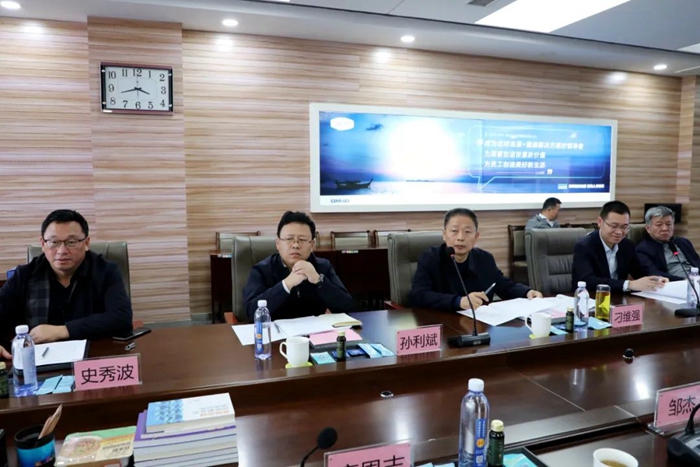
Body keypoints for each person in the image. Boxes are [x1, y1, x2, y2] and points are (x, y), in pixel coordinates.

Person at [0, 210, 133, 359]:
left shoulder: (105, 271)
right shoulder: (24, 275)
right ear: (43, 244)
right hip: (38, 362)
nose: (62, 251)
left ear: (86, 243)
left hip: (93, 358)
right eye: (54, 242)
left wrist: (62, 330)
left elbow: (121, 318)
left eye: (71, 242)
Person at [410, 208, 543, 312]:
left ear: (476, 236)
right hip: (442, 324)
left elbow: (503, 285)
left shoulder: (484, 259)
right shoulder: (430, 257)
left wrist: (527, 292)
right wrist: (458, 301)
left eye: (467, 232)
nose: (460, 237)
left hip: (479, 324)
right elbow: (418, 295)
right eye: (454, 231)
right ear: (444, 234)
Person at [243, 211, 353, 320]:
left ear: (312, 245)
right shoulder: (262, 269)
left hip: (315, 329)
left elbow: (346, 306)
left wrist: (319, 281)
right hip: (275, 330)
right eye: (289, 239)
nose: (295, 245)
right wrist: (286, 284)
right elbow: (251, 311)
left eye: (302, 240)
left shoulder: (322, 266)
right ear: (278, 243)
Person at [571, 201, 667, 293]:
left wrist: (657, 279)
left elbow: (640, 271)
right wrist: (628, 284)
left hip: (618, 298)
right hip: (590, 298)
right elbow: (588, 281)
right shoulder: (584, 246)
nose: (619, 232)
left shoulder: (627, 245)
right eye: (614, 226)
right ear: (600, 222)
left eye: (624, 227)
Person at [636, 205, 700, 280]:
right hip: (673, 283)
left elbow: (697, 263)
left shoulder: (684, 242)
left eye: (669, 224)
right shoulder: (643, 250)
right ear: (648, 228)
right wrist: (684, 280)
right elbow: (653, 273)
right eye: (659, 225)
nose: (665, 229)